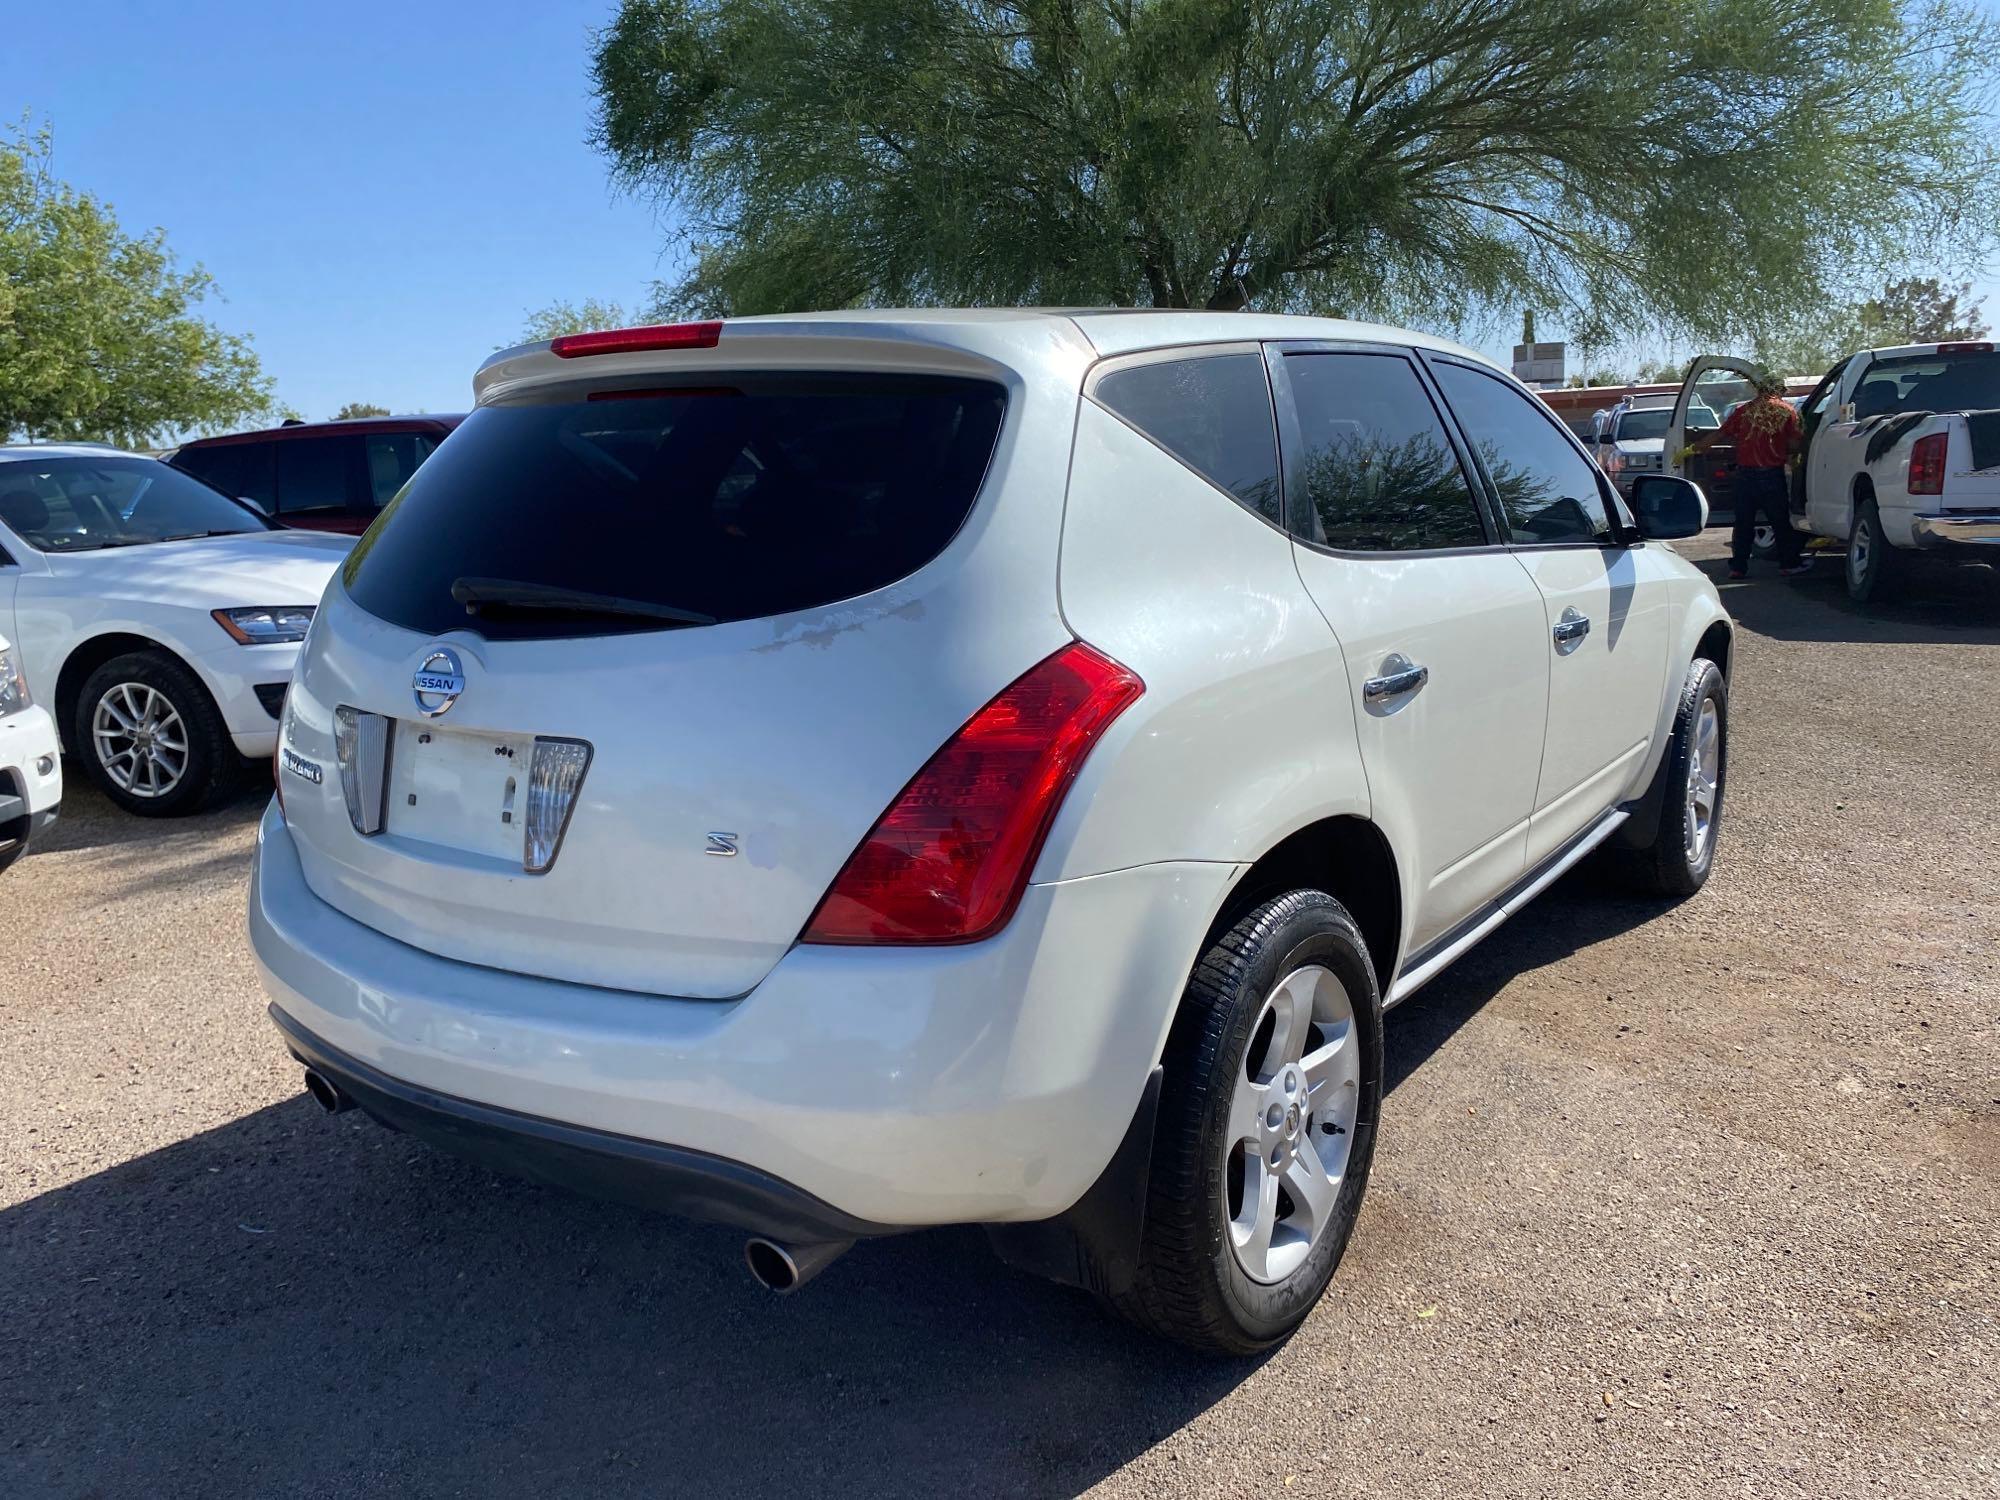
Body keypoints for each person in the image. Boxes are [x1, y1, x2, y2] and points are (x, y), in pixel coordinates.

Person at [1682, 376, 1808, 579]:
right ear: (1779, 390)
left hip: (1745, 476)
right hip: (1772, 475)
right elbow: (1794, 445)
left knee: (1743, 523)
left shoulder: (1744, 411)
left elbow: (1720, 434)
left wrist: (1693, 449)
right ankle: (1788, 564)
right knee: (1780, 522)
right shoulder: (1787, 411)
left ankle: (1738, 567)